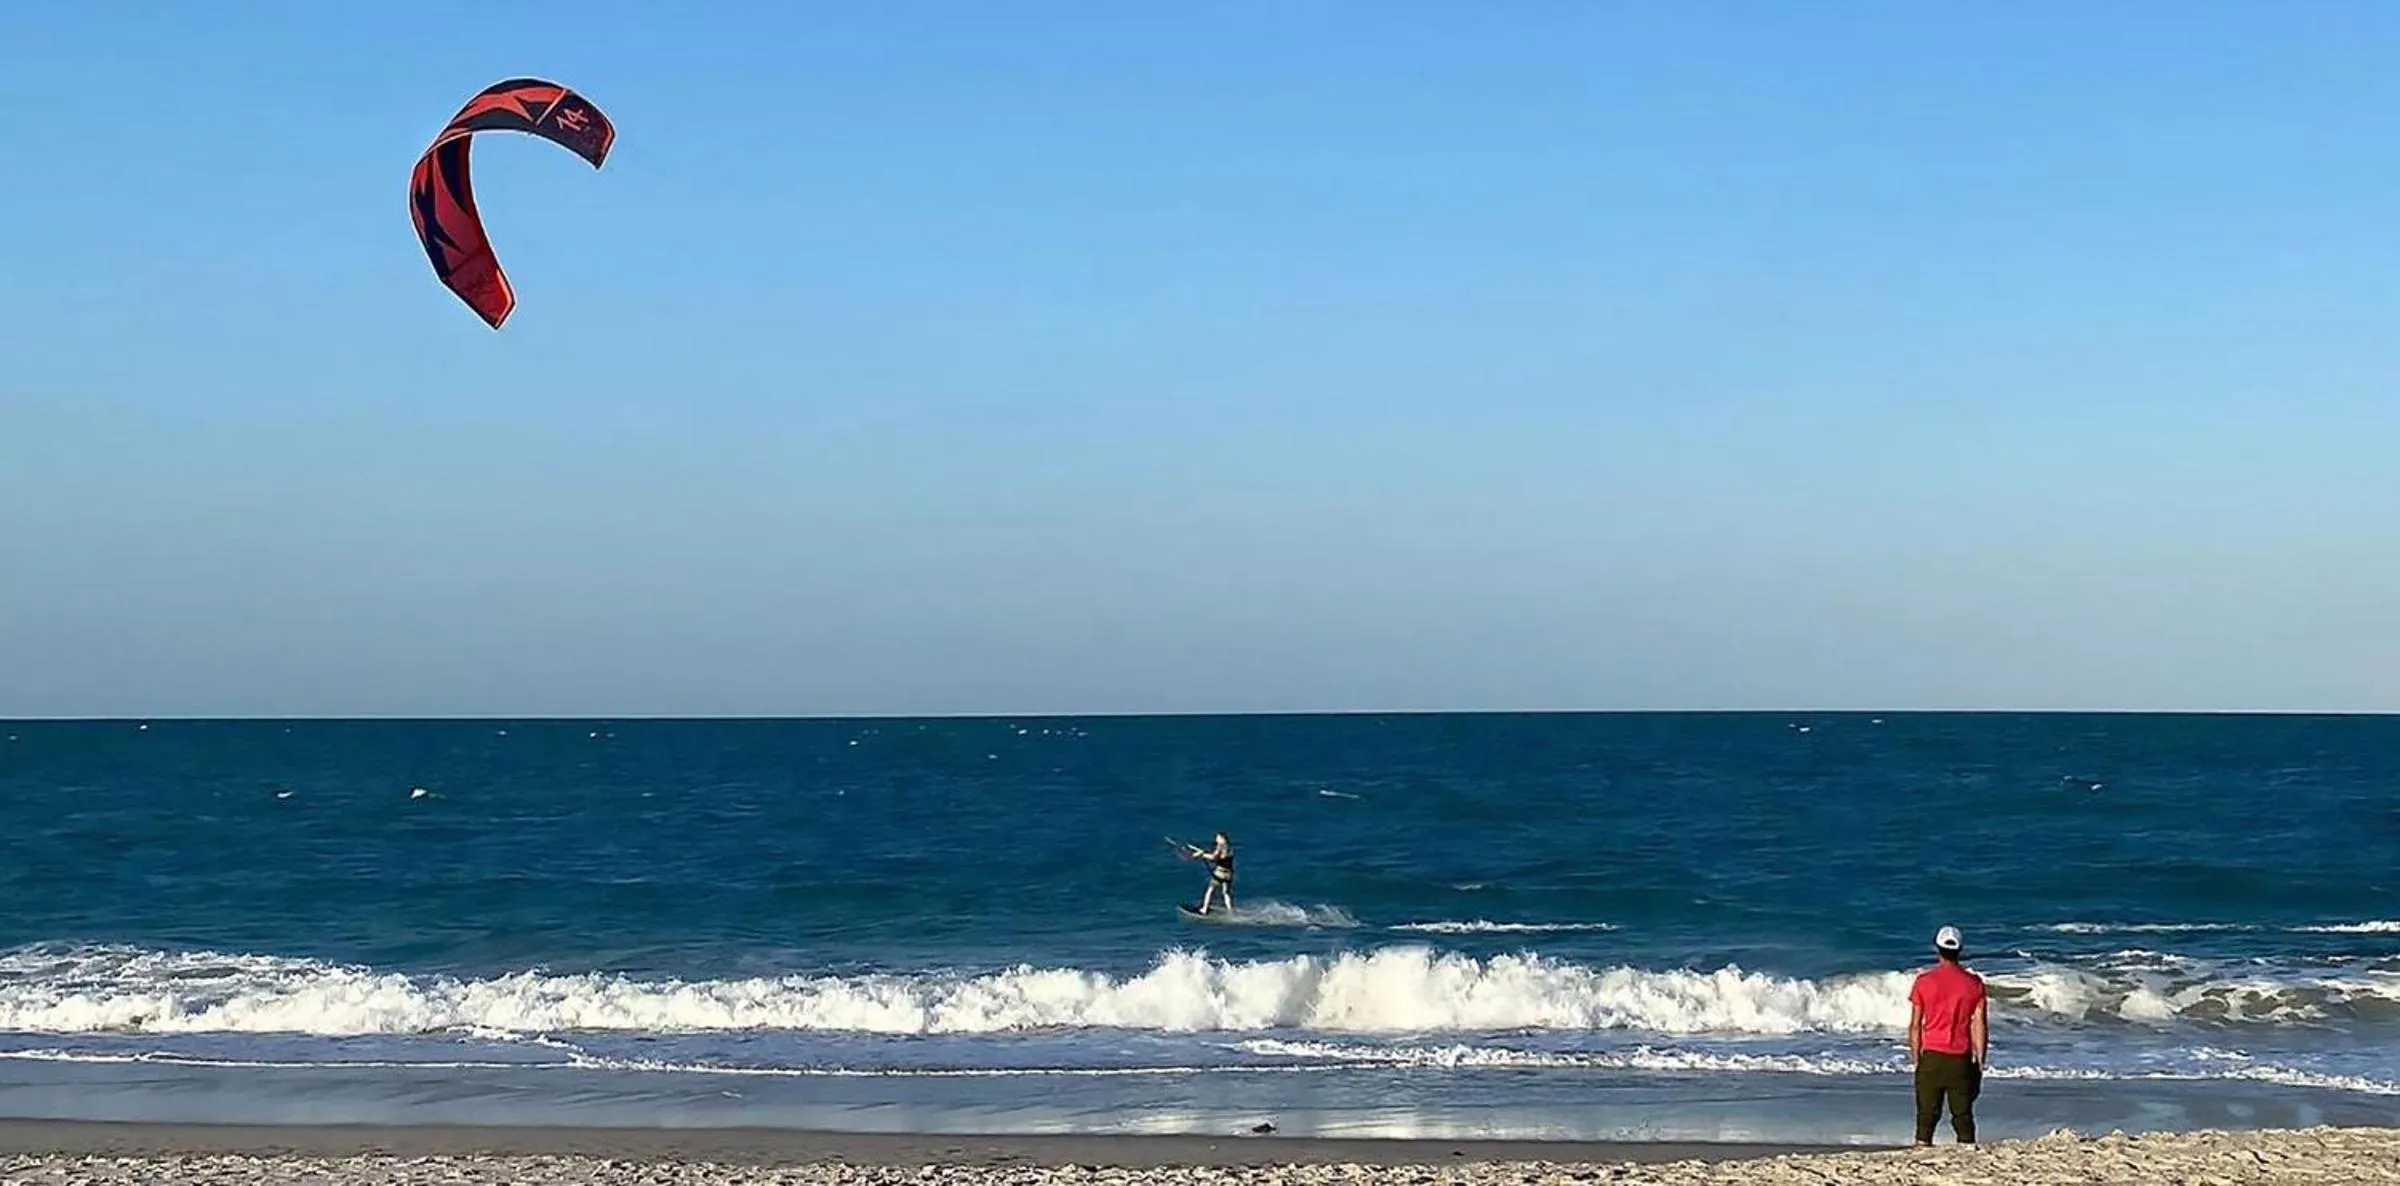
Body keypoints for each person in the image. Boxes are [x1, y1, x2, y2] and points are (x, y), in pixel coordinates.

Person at [1908, 925, 1988, 1145]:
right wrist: (1980, 1060)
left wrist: (1916, 1057)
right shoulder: (1974, 983)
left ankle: (1923, 1148)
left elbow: (1915, 1025)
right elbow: (1979, 1024)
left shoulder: (1924, 982)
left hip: (1931, 1055)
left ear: (1937, 949)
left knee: (1926, 1116)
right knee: (1962, 1116)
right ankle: (1967, 1154)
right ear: (1960, 950)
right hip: (1960, 1057)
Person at [1183, 833, 1234, 914]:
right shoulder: (1230, 848)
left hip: (1220, 873)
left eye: (1217, 837)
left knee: (1210, 890)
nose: (1216, 839)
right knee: (1226, 893)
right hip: (1229, 874)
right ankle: (1230, 911)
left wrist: (1202, 855)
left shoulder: (1220, 847)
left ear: (1222, 838)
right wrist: (1203, 854)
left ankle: (1204, 909)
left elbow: (1213, 858)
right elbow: (1223, 859)